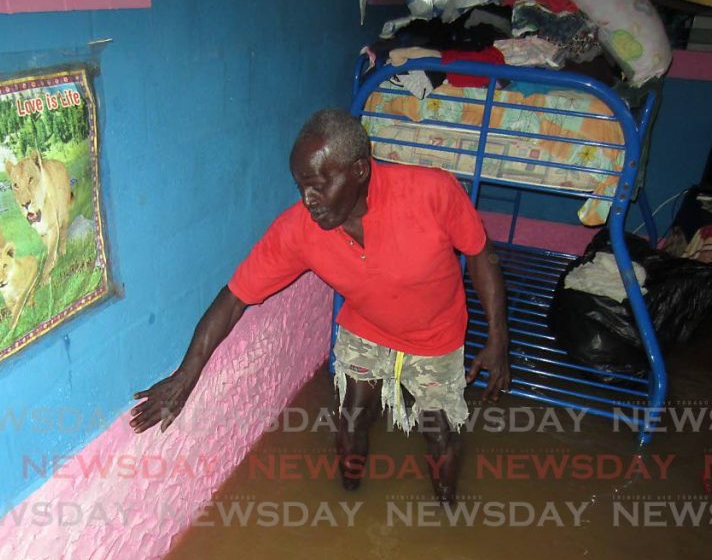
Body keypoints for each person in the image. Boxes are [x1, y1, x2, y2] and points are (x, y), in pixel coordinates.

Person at [129, 108, 510, 504]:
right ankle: (348, 502)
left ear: (360, 170)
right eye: (301, 187)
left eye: (318, 185)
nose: (308, 200)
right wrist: (184, 377)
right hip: (367, 328)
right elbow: (233, 299)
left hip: (437, 334)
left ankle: (447, 511)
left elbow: (482, 255)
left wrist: (498, 339)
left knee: (441, 435)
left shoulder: (433, 192)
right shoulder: (298, 231)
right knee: (351, 421)